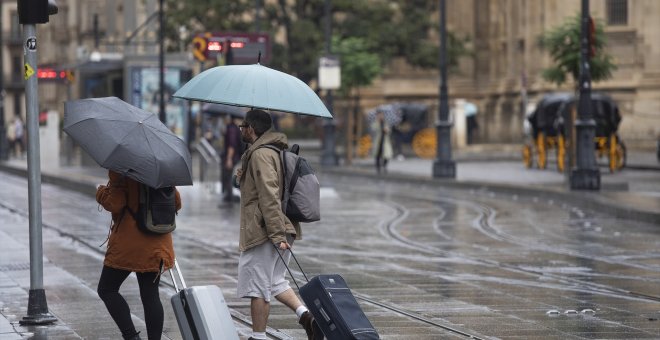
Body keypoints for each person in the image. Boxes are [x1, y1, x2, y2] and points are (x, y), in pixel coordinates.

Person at [234, 109, 321, 340]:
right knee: (274, 281)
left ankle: (259, 336)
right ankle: (307, 317)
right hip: (280, 227)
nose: (241, 129)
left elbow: (269, 195)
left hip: (266, 230)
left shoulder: (262, 155)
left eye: (243, 126)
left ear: (251, 129)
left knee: (258, 286)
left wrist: (276, 234)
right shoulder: (269, 151)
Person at [95, 170, 181, 340]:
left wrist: (100, 192)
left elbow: (115, 203)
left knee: (107, 289)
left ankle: (131, 336)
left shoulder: (121, 167)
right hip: (158, 241)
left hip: (131, 241)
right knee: (150, 293)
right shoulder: (162, 169)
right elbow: (176, 203)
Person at [220, 114, 243, 204]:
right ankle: (229, 194)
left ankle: (229, 195)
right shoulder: (233, 128)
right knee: (228, 175)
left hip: (232, 156)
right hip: (234, 156)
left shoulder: (231, 128)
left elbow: (231, 145)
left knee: (228, 175)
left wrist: (229, 158)